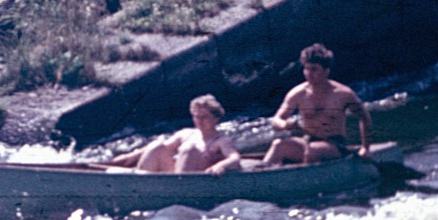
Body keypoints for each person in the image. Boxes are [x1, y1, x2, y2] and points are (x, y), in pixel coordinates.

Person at [259, 44, 371, 166]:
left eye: (314, 69)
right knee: (279, 145)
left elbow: (364, 117)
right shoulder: (297, 93)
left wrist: (365, 147)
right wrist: (285, 124)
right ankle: (262, 175)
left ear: (326, 71)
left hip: (336, 145)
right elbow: (276, 120)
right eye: (306, 69)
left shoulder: (343, 94)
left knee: (312, 151)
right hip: (307, 141)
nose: (308, 73)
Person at [108, 94, 241, 176]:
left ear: (215, 118)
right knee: (157, 145)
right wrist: (125, 158)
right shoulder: (186, 134)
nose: (199, 121)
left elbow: (234, 158)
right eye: (196, 116)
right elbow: (156, 151)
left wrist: (221, 165)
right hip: (174, 177)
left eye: (204, 117)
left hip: (192, 184)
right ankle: (139, 181)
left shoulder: (220, 140)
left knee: (189, 150)